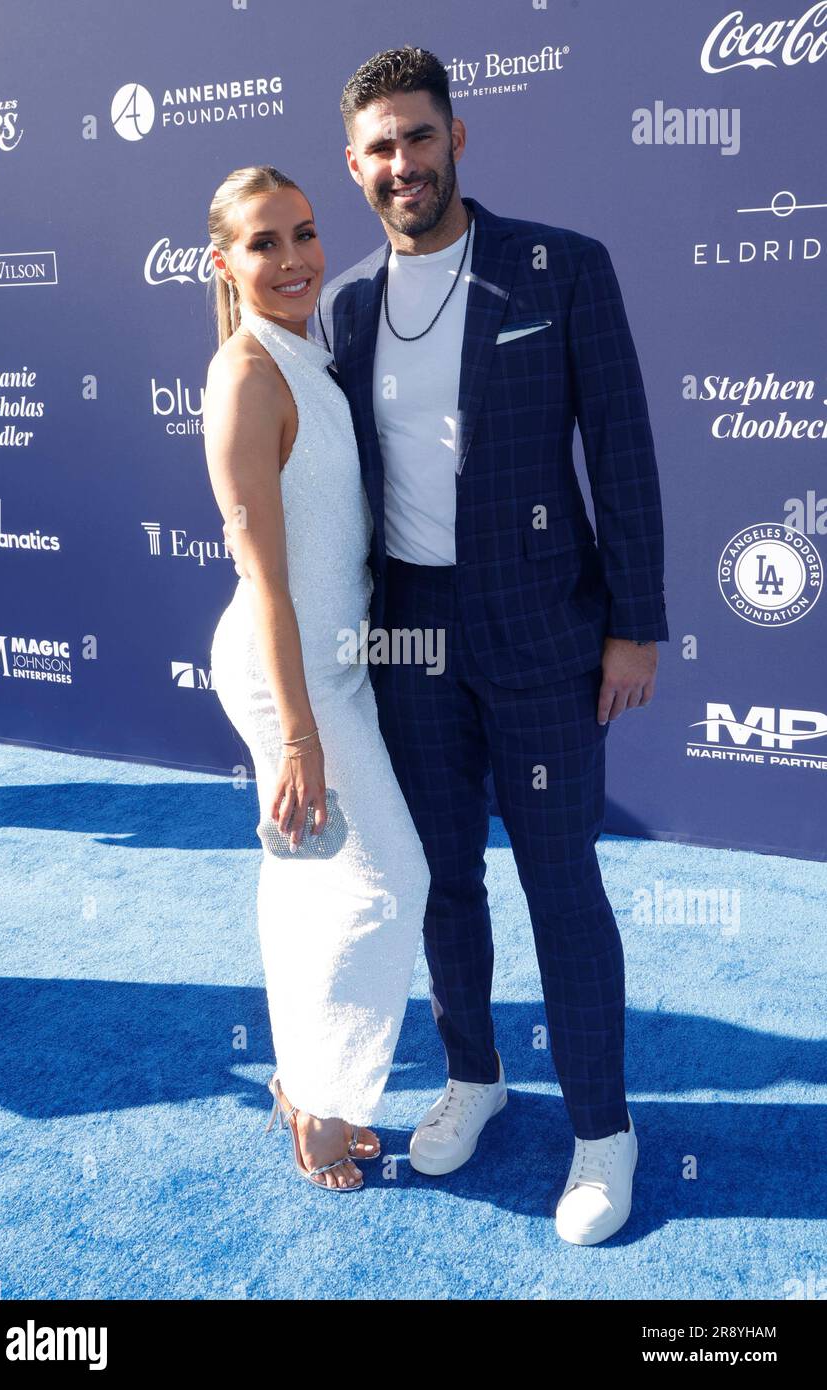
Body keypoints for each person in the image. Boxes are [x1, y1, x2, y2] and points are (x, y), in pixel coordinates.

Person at [309, 46, 670, 1244]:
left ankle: (604, 1130)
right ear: (353, 166)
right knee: (441, 879)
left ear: (458, 137)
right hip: (410, 631)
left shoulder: (560, 268)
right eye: (377, 148)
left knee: (562, 882)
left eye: (417, 137)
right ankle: (474, 1073)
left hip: (544, 630)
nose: (399, 163)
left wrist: (633, 623)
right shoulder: (348, 303)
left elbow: (619, 451)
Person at [204, 166, 430, 1192]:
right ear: (224, 262)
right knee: (392, 884)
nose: (293, 259)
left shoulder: (302, 352)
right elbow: (265, 577)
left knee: (307, 886)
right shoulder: (248, 374)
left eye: (302, 233)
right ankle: (326, 1104)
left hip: (330, 664)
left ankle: (301, 1085)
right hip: (286, 670)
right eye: (264, 243)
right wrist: (297, 732)